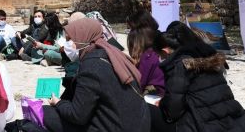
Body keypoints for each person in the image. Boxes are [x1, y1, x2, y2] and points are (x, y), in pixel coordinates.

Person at [20, 18, 149, 132]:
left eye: (71, 40)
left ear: (83, 37)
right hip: (137, 123)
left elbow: (77, 115)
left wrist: (58, 103)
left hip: (116, 126)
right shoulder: (110, 52)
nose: (68, 45)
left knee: (46, 113)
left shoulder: (92, 66)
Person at [149, 21, 245, 132]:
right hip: (237, 123)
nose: (160, 58)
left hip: (204, 126)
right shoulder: (209, 59)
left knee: (147, 111)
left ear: (165, 51)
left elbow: (173, 110)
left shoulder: (180, 65)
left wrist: (163, 103)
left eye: (159, 55)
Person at [127, 27, 165, 96]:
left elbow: (140, 82)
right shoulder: (152, 52)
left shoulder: (147, 56)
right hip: (161, 89)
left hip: (155, 93)